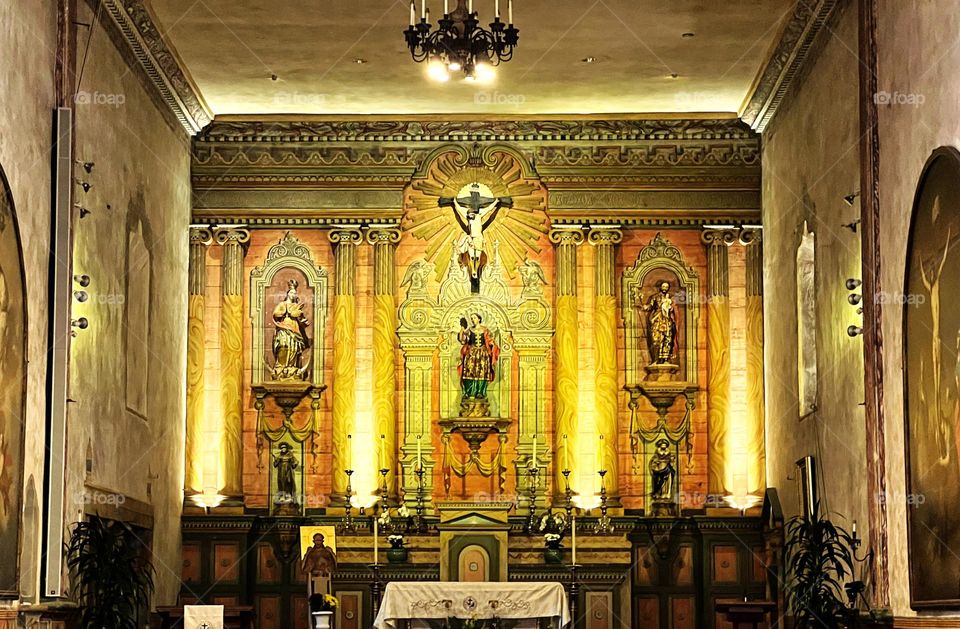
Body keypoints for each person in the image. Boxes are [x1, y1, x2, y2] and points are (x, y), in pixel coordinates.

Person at [272, 279, 311, 380]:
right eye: (292, 292)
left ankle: (291, 367)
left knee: (293, 347)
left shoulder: (296, 306)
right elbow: (276, 314)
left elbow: (302, 319)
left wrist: (303, 321)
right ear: (288, 293)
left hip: (295, 329)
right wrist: (286, 312)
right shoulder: (282, 304)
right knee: (283, 345)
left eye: (295, 293)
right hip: (284, 328)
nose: (293, 294)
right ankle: (280, 367)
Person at [457, 313, 500, 401]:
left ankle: (480, 392)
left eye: (474, 318)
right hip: (471, 354)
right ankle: (469, 392)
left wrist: (492, 346)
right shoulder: (469, 330)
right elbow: (462, 339)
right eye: (472, 318)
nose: (473, 320)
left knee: (482, 372)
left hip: (483, 354)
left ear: (479, 319)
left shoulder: (485, 330)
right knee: (469, 371)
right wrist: (462, 328)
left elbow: (490, 340)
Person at [643, 281, 679, 364]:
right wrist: (645, 307)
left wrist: (672, 308)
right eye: (663, 286)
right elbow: (650, 306)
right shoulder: (655, 297)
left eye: (667, 287)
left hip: (667, 320)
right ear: (660, 287)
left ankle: (666, 359)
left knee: (667, 338)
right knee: (656, 339)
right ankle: (655, 359)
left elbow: (674, 309)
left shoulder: (670, 298)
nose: (665, 288)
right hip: (657, 319)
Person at [301, 533, 337, 597]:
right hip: (314, 578)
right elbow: (307, 566)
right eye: (316, 540)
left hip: (325, 577)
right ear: (313, 541)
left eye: (319, 540)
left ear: (323, 541)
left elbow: (332, 564)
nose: (318, 542)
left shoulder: (326, 552)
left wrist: (326, 567)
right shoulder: (311, 552)